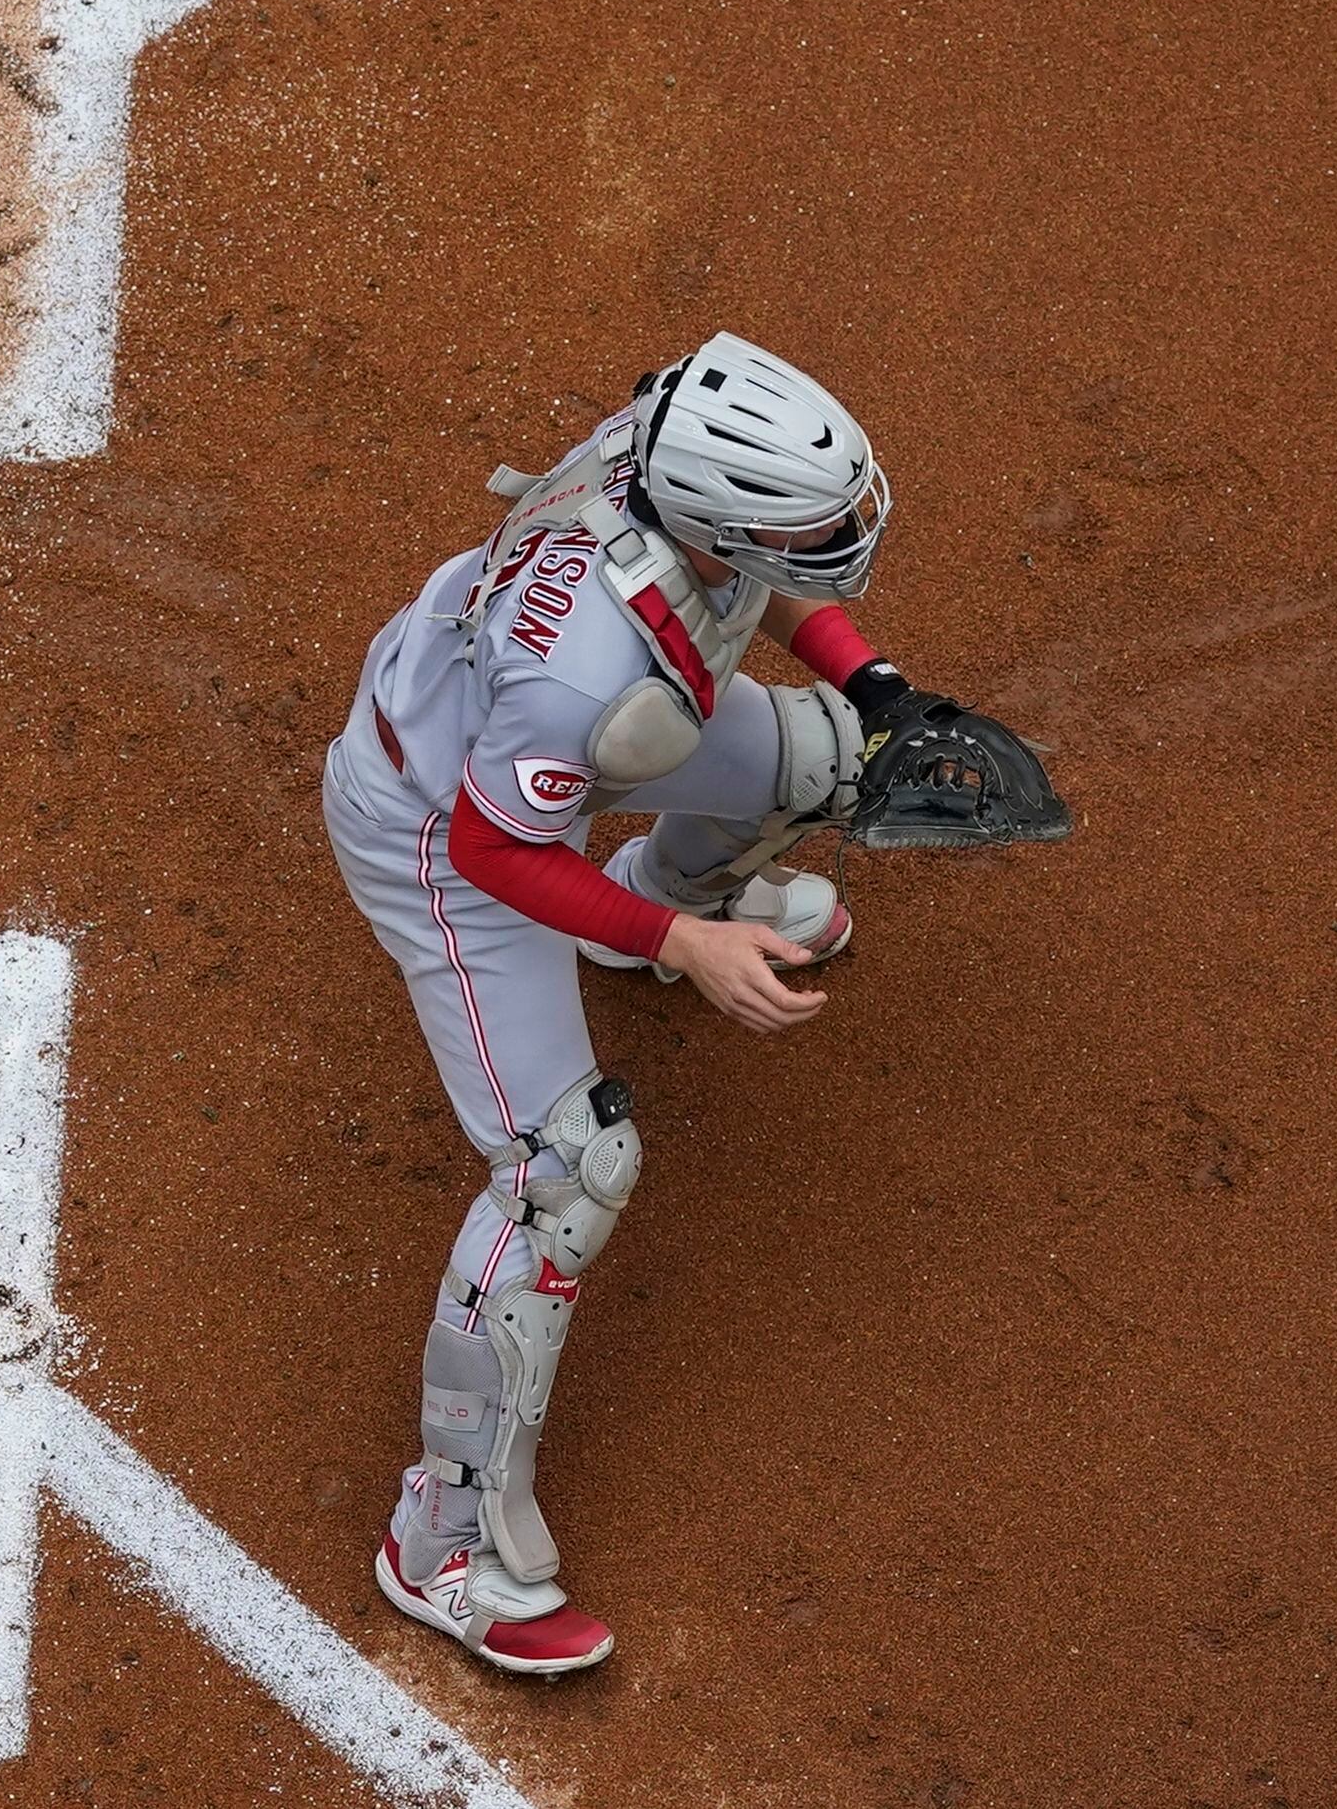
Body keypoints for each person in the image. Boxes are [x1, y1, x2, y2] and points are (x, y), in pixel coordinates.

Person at [325, 335, 927, 1677]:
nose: (835, 538)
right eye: (809, 526)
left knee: (838, 756)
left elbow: (757, 584)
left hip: (537, 738)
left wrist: (876, 688)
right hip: (441, 832)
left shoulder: (670, 452)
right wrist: (688, 946)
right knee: (567, 1171)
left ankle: (668, 888)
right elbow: (494, 852)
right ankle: (442, 1544)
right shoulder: (577, 668)